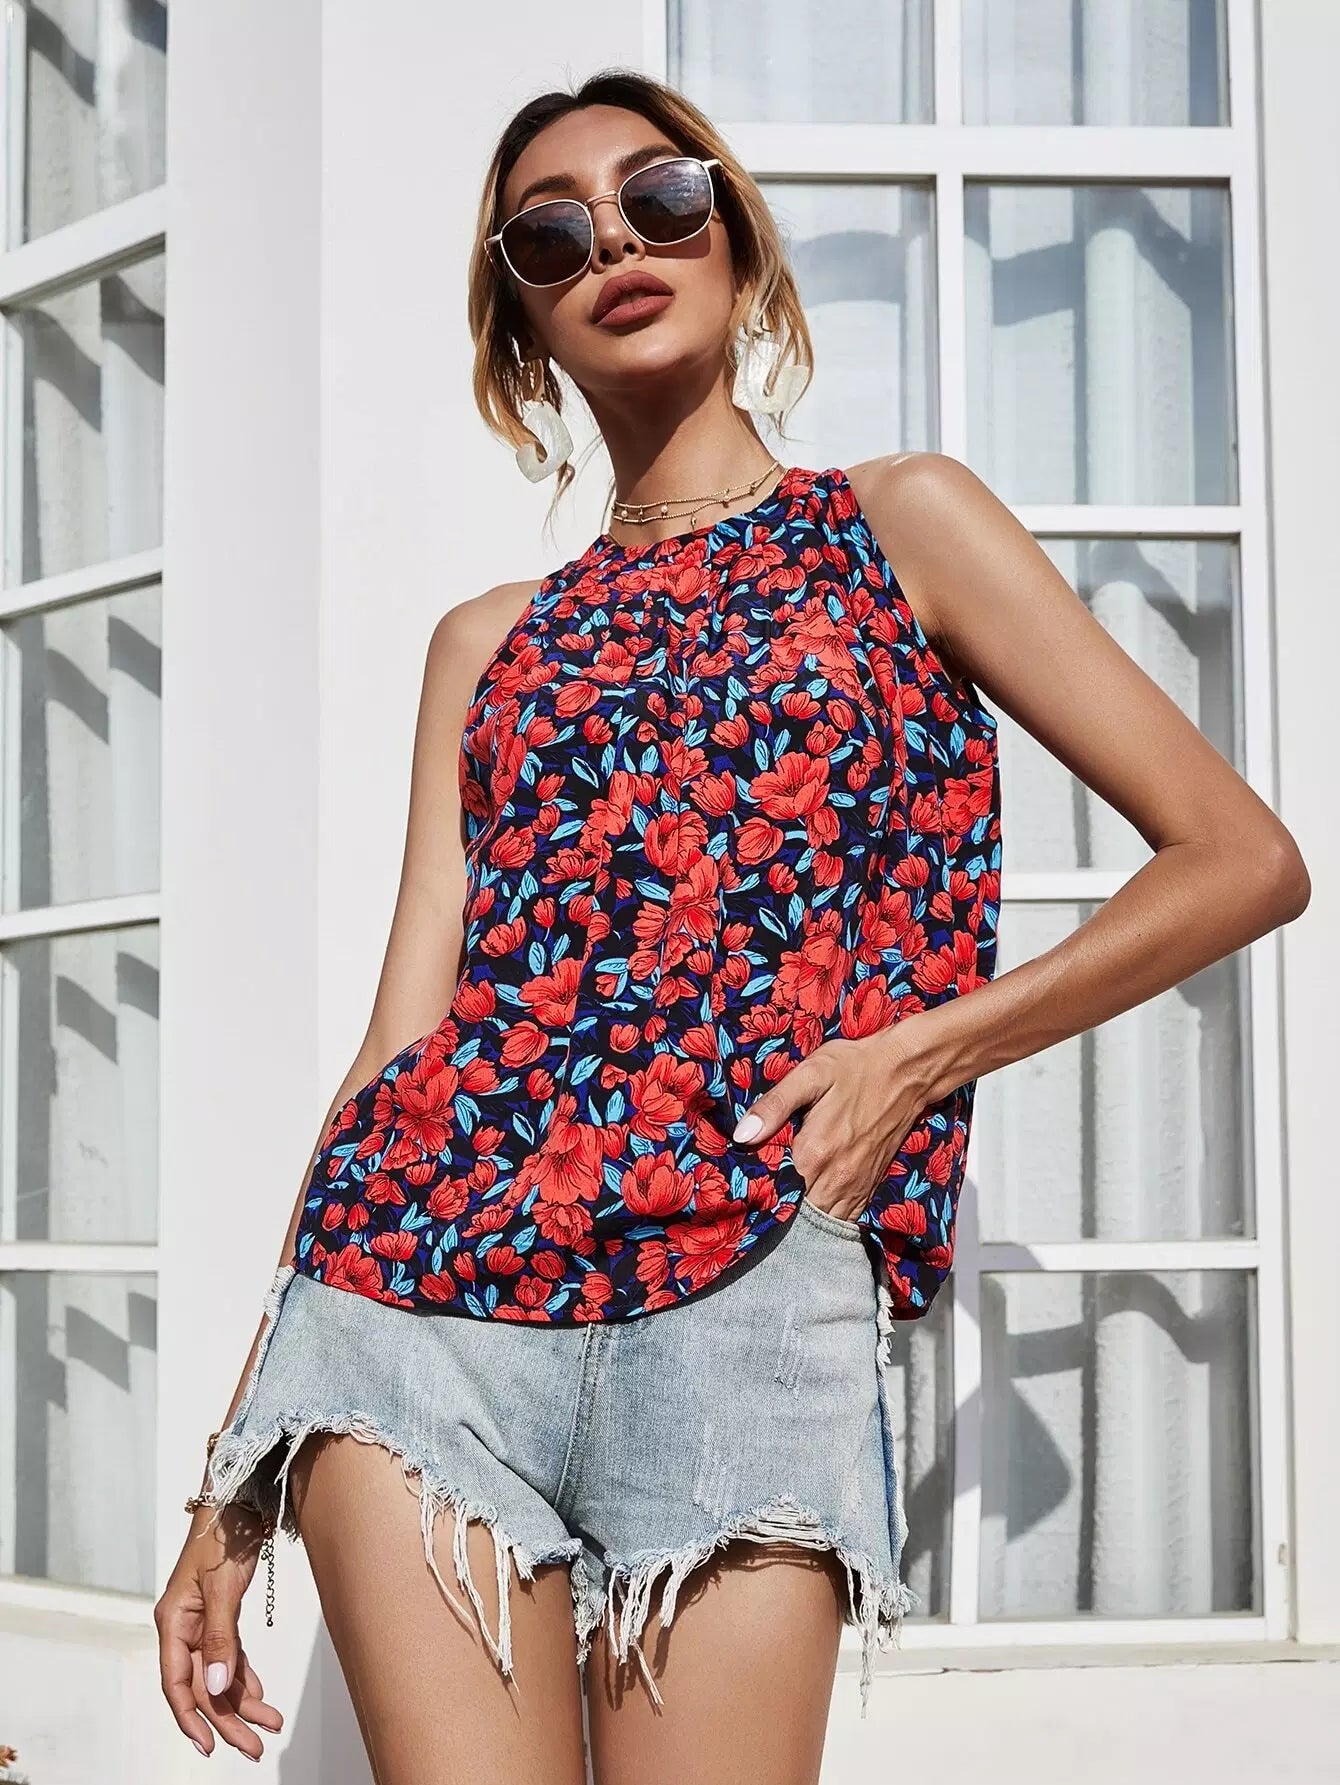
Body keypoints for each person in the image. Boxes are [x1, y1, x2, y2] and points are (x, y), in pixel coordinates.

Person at [153, 66, 1310, 1785]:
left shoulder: (902, 527)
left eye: (660, 198)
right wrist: (235, 1464)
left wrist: (923, 1054)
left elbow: (1240, 856)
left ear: (738, 239)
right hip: (414, 1322)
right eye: (551, 237)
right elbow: (399, 1052)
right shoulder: (487, 643)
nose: (614, 243)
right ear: (517, 326)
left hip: (750, 1302)